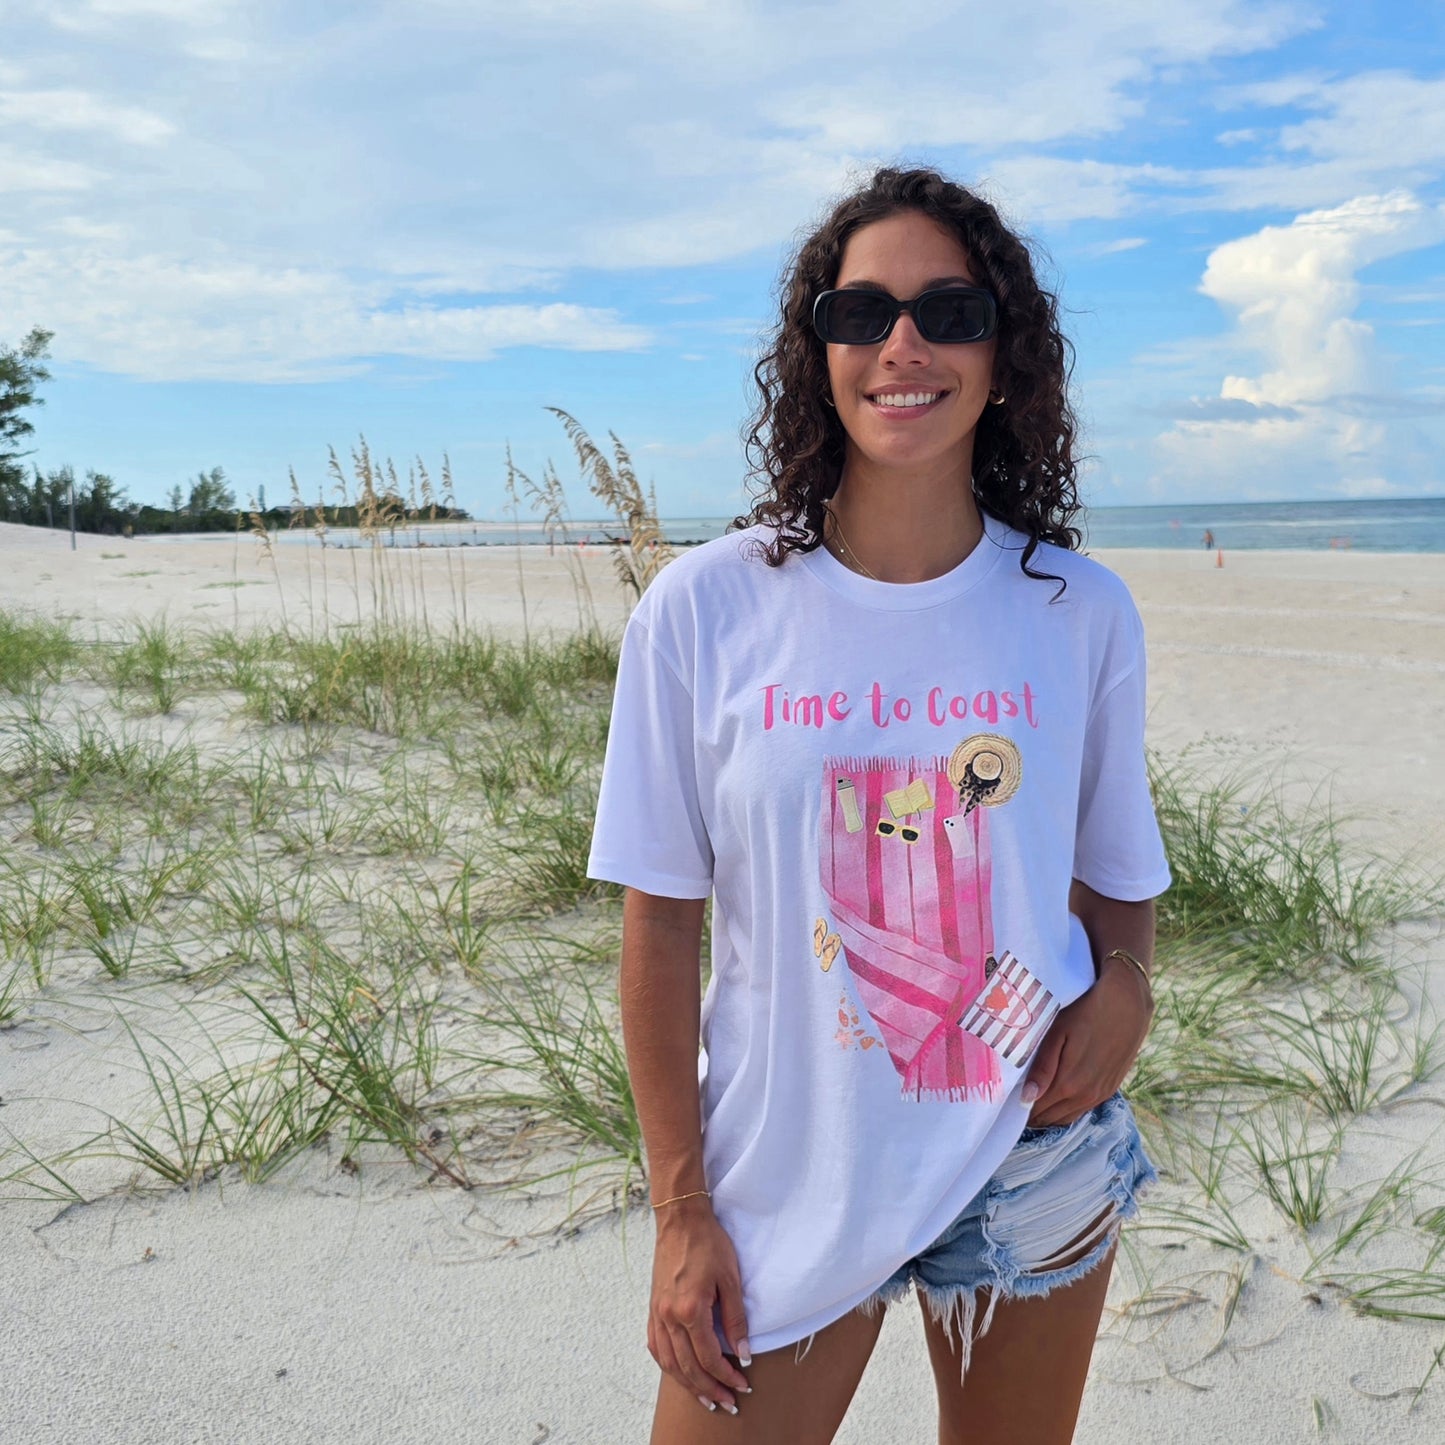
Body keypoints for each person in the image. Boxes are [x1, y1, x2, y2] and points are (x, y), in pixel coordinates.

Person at [587, 166, 1171, 1445]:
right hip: (793, 1164)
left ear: (1004, 355)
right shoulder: (703, 609)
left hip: (1032, 1148)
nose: (900, 345)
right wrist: (681, 1206)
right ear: (819, 355)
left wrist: (1124, 988)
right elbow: (659, 920)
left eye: (948, 310)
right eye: (860, 315)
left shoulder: (1078, 610)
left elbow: (1113, 871)